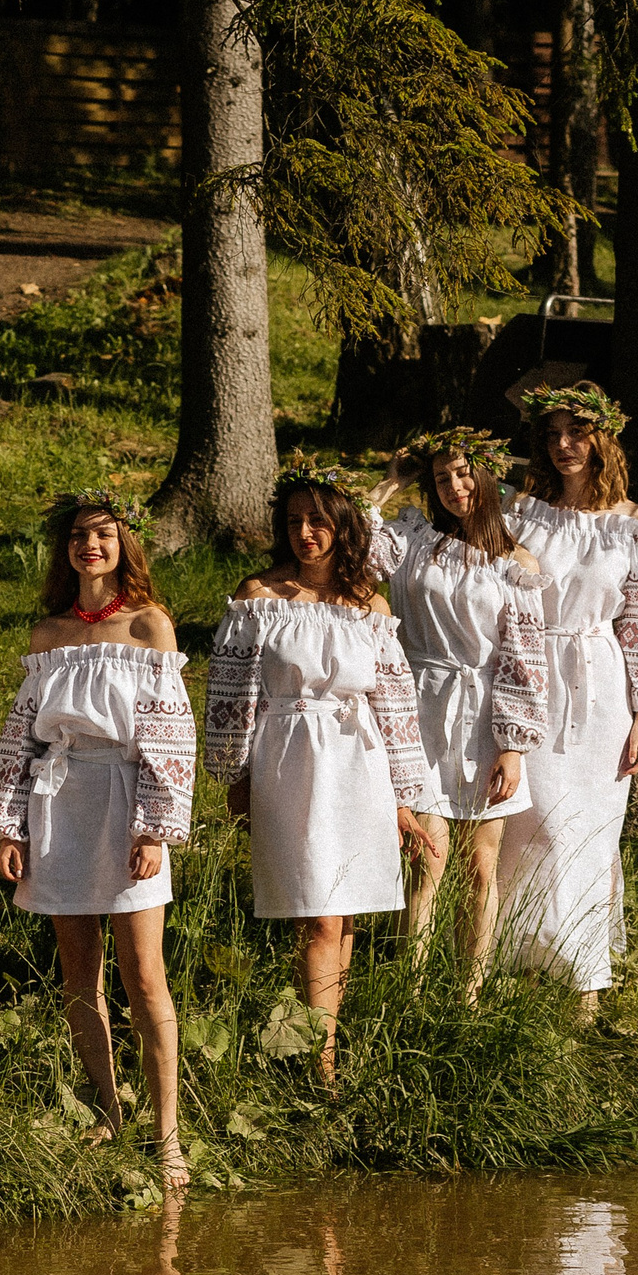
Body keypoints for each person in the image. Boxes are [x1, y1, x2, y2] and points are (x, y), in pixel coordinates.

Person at [0, 491, 196, 1186]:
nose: (90, 546)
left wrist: (156, 827)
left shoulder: (148, 626)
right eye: (79, 536)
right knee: (80, 971)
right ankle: (108, 1110)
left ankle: (167, 1134)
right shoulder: (49, 636)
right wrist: (8, 824)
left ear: (123, 543)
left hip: (126, 796)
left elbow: (171, 734)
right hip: (60, 801)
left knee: (144, 973)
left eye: (102, 535)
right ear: (65, 549)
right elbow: (19, 738)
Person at [206, 461, 432, 1082]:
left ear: (342, 527)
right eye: (295, 521)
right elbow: (229, 696)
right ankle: (321, 1063)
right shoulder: (259, 599)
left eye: (318, 520)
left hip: (359, 763)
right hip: (290, 759)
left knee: (347, 911)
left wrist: (404, 799)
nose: (306, 532)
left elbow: (395, 704)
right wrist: (235, 774)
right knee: (318, 913)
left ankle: (321, 1046)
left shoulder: (369, 605)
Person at [496, 383, 638, 1013]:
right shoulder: (523, 512)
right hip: (529, 675)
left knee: (589, 833)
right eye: (552, 434)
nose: (564, 445)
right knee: (527, 824)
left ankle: (585, 979)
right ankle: (519, 958)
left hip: (601, 689)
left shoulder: (632, 527)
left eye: (577, 432)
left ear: (602, 438)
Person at [361, 428, 551, 993]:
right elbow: (355, 545)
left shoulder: (516, 564)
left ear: (488, 475)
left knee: (480, 866)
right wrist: (392, 481)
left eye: (464, 472)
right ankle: (409, 988)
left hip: (485, 716)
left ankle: (469, 993)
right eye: (441, 477)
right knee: (427, 858)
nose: (453, 486)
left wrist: (513, 746)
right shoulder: (413, 539)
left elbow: (524, 659)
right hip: (418, 703)